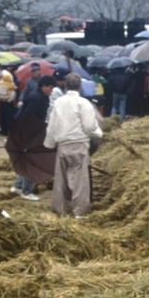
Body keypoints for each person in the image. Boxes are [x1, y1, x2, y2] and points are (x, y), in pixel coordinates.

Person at [45, 74, 101, 217]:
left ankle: (62, 210)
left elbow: (52, 125)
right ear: (79, 86)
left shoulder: (58, 102)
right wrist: (99, 133)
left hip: (62, 144)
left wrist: (50, 143)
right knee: (79, 180)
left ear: (65, 85)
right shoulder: (83, 103)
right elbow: (89, 126)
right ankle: (79, 211)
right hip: (78, 144)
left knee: (61, 180)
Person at [10, 75, 57, 202]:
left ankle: (18, 186)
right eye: (50, 88)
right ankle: (26, 191)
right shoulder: (37, 98)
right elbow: (27, 116)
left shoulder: (40, 97)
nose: (51, 91)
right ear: (44, 86)